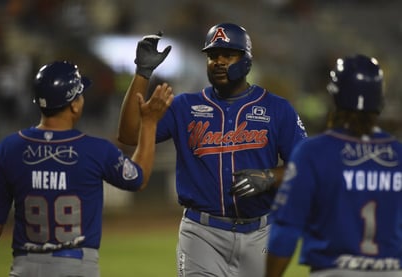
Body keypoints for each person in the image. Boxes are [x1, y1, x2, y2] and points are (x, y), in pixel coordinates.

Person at [117, 23, 307, 276]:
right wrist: (142, 73)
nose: (218, 62)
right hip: (201, 234)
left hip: (260, 233)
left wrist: (271, 176)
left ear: (246, 60)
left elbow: (306, 165)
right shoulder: (184, 107)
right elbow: (129, 134)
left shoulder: (277, 108)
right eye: (212, 55)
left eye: (228, 55)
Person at [0, 60, 173, 277]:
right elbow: (139, 178)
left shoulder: (9, 149)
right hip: (75, 266)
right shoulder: (95, 150)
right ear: (74, 104)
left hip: (24, 266)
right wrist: (150, 123)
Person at [266, 54, 402, 277]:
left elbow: (286, 230)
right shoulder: (398, 155)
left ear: (335, 96)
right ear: (379, 99)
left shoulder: (314, 153)